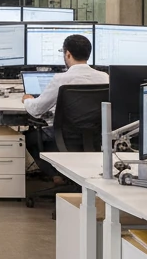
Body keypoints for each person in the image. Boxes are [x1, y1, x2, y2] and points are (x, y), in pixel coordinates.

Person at [21, 34, 108, 183]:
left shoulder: (61, 79)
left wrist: (28, 100)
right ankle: (69, 177)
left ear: (67, 54)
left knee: (29, 138)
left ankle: (57, 174)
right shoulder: (105, 77)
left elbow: (36, 110)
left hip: (65, 136)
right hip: (96, 137)